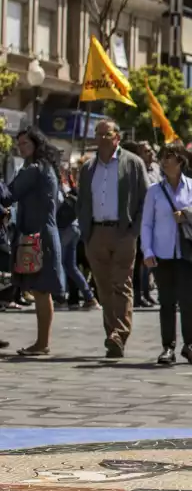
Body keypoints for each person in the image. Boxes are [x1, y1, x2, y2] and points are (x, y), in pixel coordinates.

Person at [76, 119, 149, 357]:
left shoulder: (133, 163)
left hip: (123, 232)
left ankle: (120, 333)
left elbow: (144, 200)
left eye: (106, 134)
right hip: (95, 233)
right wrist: (86, 233)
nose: (101, 139)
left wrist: (134, 231)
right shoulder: (88, 168)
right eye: (97, 134)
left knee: (121, 284)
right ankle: (112, 336)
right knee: (104, 288)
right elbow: (82, 202)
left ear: (117, 137)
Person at [142, 143, 192, 366]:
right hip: (162, 253)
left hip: (187, 252)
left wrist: (188, 215)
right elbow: (146, 224)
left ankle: (189, 345)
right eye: (163, 158)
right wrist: (147, 250)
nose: (164, 162)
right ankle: (167, 347)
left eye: (169, 158)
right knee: (166, 301)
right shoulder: (154, 191)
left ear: (180, 161)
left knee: (188, 300)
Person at [0, 128, 65, 355]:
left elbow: (8, 195)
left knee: (41, 290)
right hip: (41, 234)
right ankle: (42, 342)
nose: (21, 146)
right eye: (19, 143)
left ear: (36, 144)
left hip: (38, 237)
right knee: (41, 291)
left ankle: (42, 343)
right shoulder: (41, 167)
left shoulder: (35, 169)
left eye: (25, 143)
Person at [55, 168, 96, 310]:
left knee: (58, 262)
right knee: (70, 266)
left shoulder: (56, 188)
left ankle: (59, 298)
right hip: (74, 227)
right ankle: (89, 297)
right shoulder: (66, 186)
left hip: (64, 229)